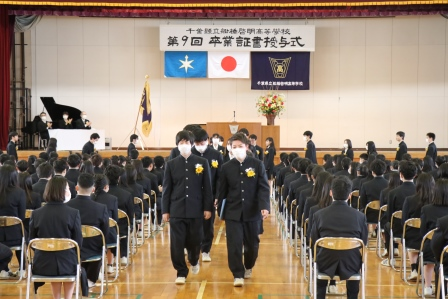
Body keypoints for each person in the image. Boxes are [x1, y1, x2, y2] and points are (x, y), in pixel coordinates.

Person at [218, 132, 270, 287]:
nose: (237, 149)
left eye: (240, 146)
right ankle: (237, 273)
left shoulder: (257, 164)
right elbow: (222, 191)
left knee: (252, 244)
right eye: (234, 147)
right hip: (233, 212)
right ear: (230, 149)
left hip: (253, 212)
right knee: (234, 244)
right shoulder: (226, 167)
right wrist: (219, 211)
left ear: (247, 147)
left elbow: (263, 188)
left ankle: (249, 265)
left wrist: (264, 207)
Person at [162, 130, 213, 285]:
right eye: (181, 142)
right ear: (177, 145)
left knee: (195, 240)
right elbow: (166, 189)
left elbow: (207, 187)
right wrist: (165, 210)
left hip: (196, 209)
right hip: (176, 209)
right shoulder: (171, 164)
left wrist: (207, 208)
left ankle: (194, 260)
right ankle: (181, 271)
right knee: (176, 243)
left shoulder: (201, 162)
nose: (184, 145)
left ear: (191, 144)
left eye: (186, 142)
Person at [310, 176, 368, 299]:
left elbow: (314, 242)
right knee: (355, 261)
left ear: (331, 193)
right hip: (351, 264)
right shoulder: (360, 217)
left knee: (319, 271)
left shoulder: (319, 215)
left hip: (325, 262)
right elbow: (363, 243)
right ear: (350, 195)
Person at [28, 176, 83, 299]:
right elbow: (78, 243)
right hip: (67, 263)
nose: (70, 191)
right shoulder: (73, 213)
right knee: (71, 258)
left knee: (57, 258)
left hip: (42, 264)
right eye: (68, 189)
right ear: (62, 191)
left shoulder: (36, 213)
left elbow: (31, 241)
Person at [66, 173, 109, 288]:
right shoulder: (101, 208)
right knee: (102, 244)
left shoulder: (67, 206)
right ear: (93, 189)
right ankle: (90, 278)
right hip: (93, 248)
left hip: (72, 248)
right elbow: (105, 232)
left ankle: (80, 276)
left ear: (76, 187)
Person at [191, 128, 223, 262]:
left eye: (202, 143)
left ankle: (205, 250)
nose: (200, 147)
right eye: (197, 144)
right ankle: (192, 249)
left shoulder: (216, 154)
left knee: (208, 224)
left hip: (210, 195)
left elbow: (220, 178)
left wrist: (217, 196)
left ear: (207, 141)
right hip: (193, 195)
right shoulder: (190, 154)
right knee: (192, 224)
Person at [383, 160, 417, 266]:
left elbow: (389, 216)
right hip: (417, 229)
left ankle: (391, 256)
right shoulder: (420, 191)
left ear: (400, 175)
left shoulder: (393, 193)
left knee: (387, 225)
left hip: (398, 228)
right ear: (415, 175)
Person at [401, 173, 435, 281]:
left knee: (410, 233)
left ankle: (413, 268)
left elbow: (404, 221)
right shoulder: (436, 201)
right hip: (430, 239)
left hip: (412, 237)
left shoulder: (409, 200)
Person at [420, 179, 448, 296]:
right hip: (444, 251)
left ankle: (427, 286)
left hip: (433, 248)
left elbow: (423, 232)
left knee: (430, 248)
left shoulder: (426, 209)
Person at [104, 165, 134, 265]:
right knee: (125, 224)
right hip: (121, 229)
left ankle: (109, 262)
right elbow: (130, 215)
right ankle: (123, 255)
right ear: (119, 178)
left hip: (104, 230)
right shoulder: (127, 194)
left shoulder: (99, 196)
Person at [91, 174, 118, 275]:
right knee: (111, 230)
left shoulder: (90, 197)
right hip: (107, 234)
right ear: (106, 186)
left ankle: (98, 266)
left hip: (92, 233)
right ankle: (110, 265)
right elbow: (115, 219)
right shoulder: (112, 199)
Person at [359, 160, 388, 225]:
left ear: (372, 172)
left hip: (369, 215)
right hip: (384, 216)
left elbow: (363, 203)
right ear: (384, 171)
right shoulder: (389, 184)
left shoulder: (366, 185)